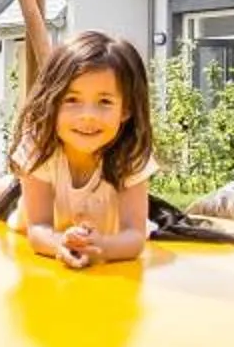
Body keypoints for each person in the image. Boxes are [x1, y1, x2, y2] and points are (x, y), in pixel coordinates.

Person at [10, 30, 156, 270]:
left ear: (126, 109)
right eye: (72, 100)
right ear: (52, 102)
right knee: (10, 200)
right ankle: (5, 187)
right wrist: (60, 244)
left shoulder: (130, 154)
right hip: (39, 220)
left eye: (105, 102)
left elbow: (135, 237)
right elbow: (38, 230)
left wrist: (101, 247)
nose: (88, 116)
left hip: (105, 232)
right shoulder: (38, 149)